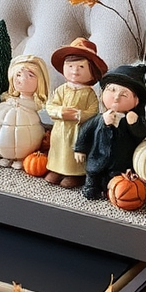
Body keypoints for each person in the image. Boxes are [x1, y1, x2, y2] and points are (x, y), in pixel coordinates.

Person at [75, 64, 146, 201]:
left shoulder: (131, 120)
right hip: (97, 158)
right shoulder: (99, 119)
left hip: (120, 163)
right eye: (112, 90)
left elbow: (143, 133)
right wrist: (80, 149)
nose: (116, 97)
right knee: (92, 177)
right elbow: (85, 130)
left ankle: (111, 188)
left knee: (115, 180)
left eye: (124, 94)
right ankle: (92, 187)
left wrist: (134, 124)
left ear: (136, 101)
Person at [42, 38, 107, 188]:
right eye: (70, 66)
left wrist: (79, 115)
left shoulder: (89, 94)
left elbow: (93, 112)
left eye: (81, 67)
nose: (74, 70)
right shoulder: (61, 90)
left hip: (79, 131)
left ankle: (74, 175)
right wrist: (60, 111)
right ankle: (57, 169)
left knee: (74, 153)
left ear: (92, 72)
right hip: (60, 130)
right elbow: (50, 105)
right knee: (59, 150)